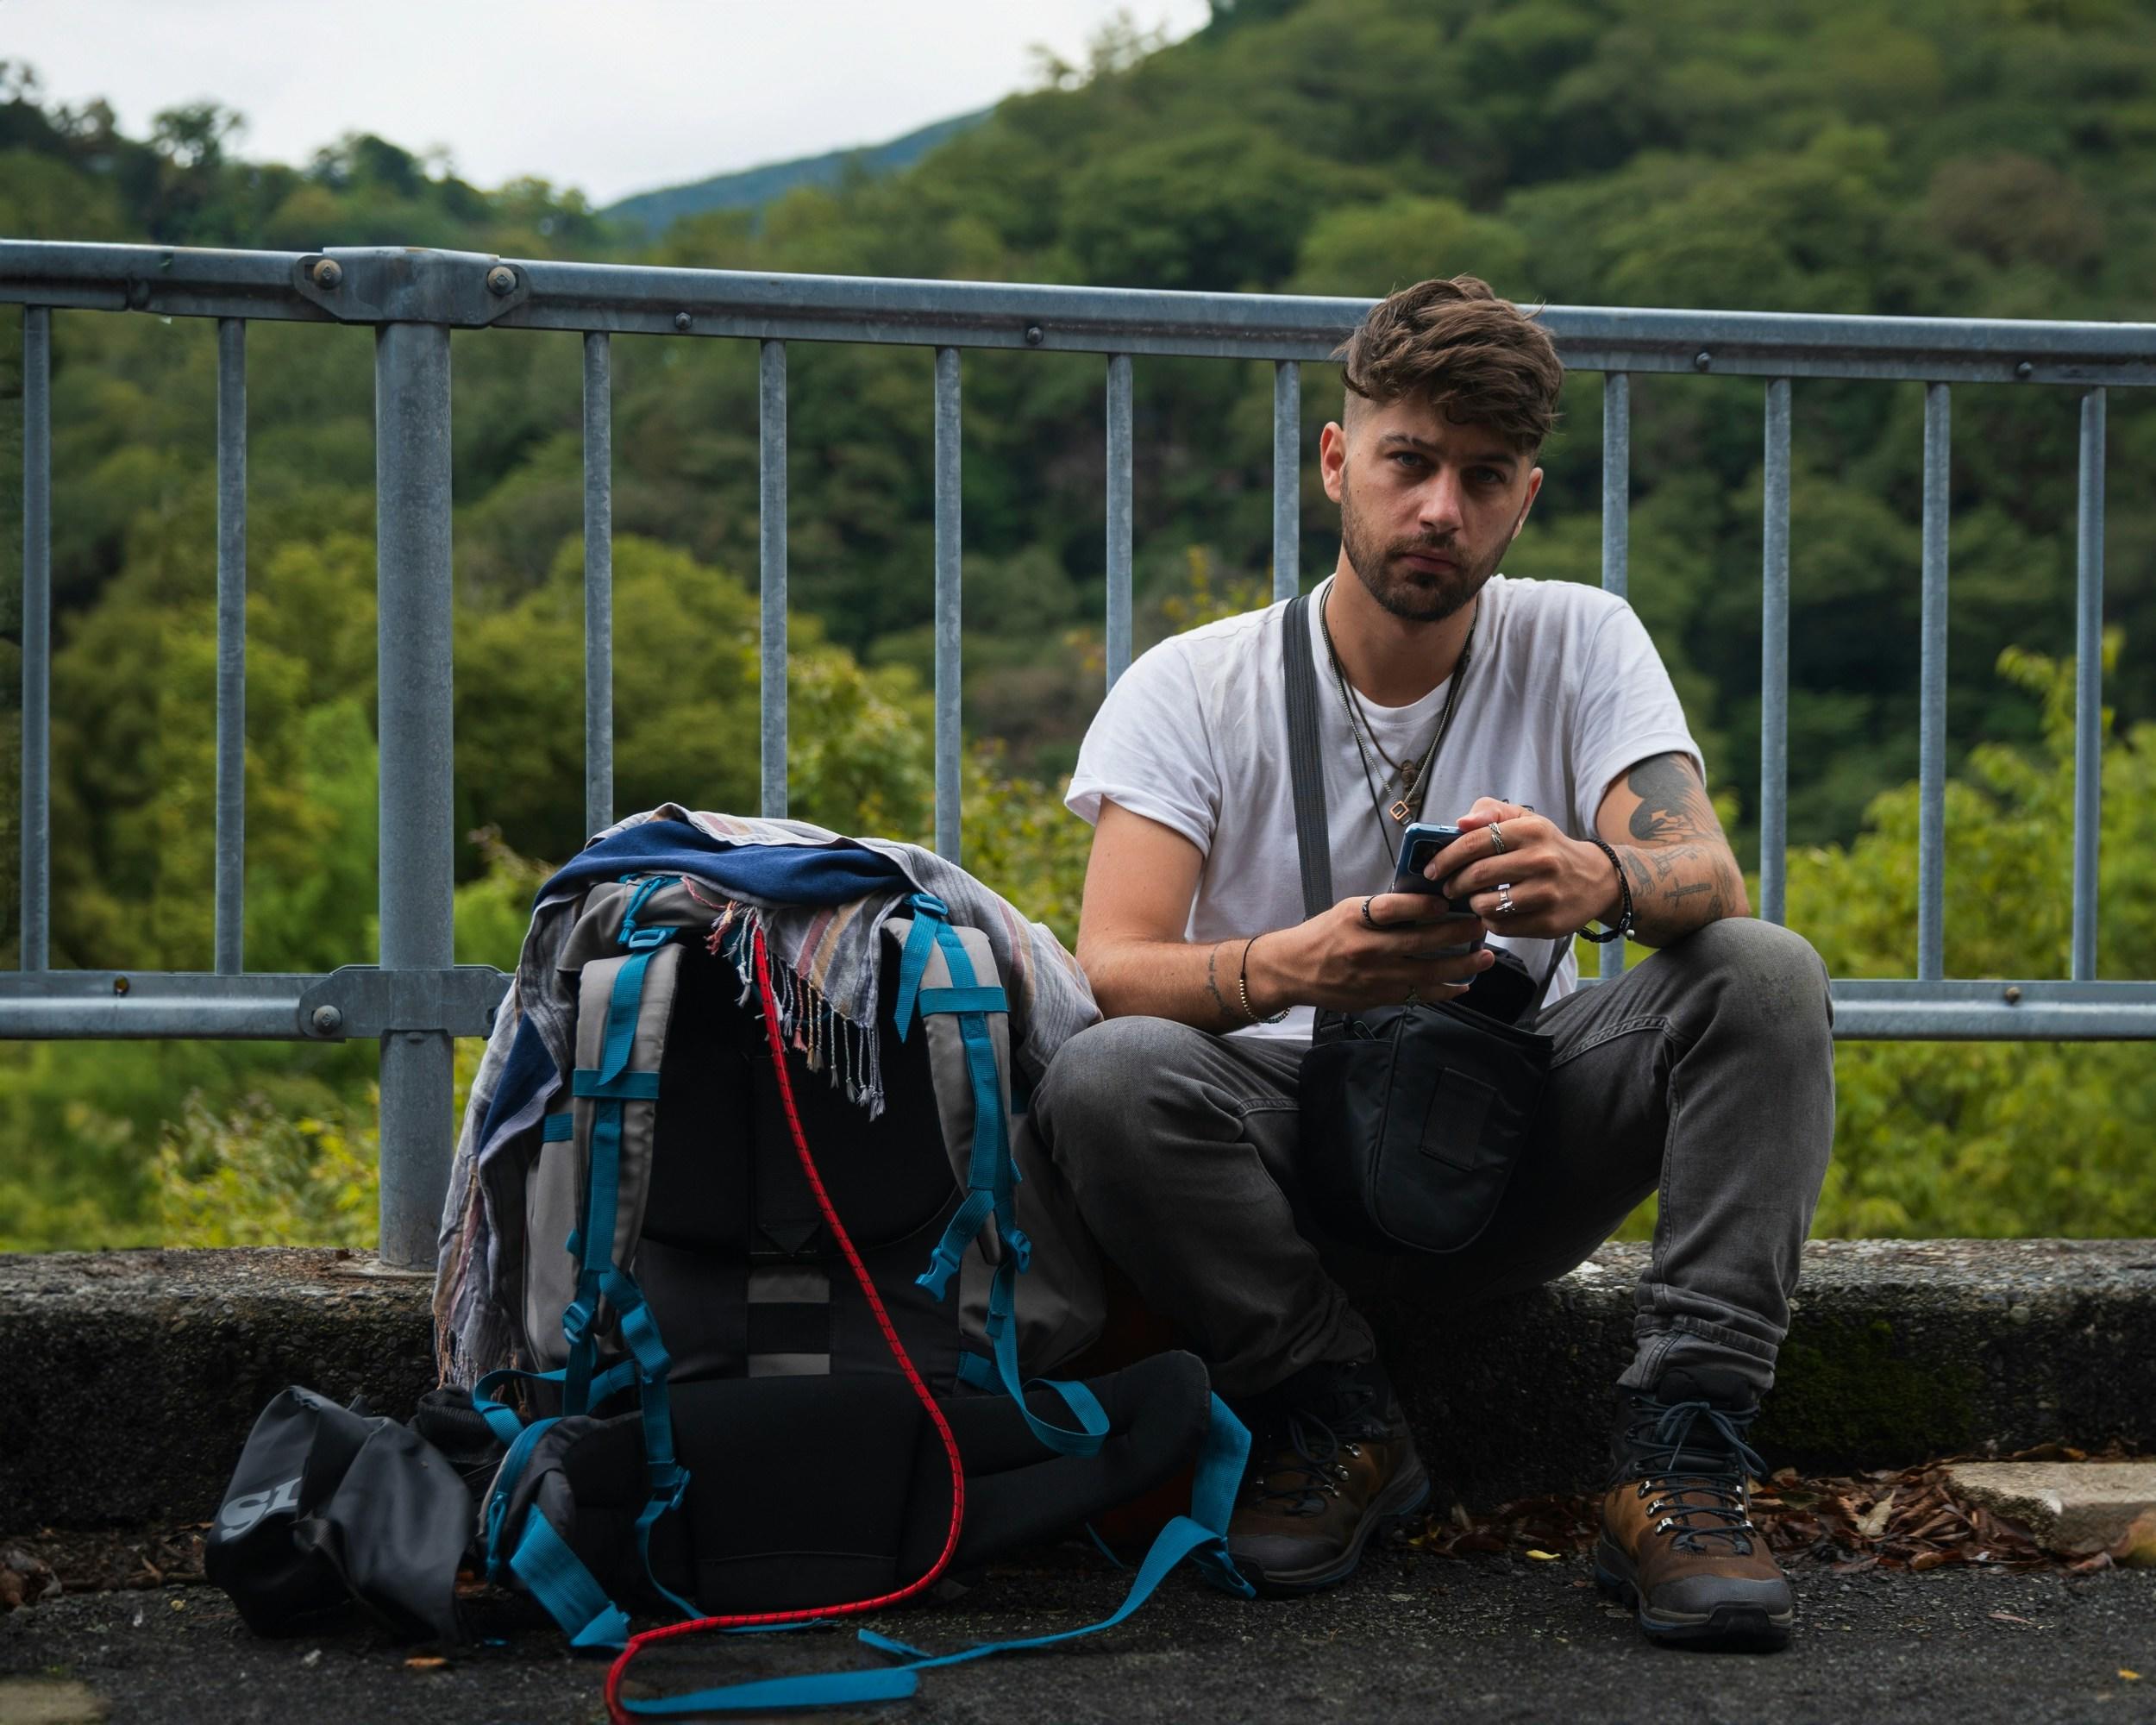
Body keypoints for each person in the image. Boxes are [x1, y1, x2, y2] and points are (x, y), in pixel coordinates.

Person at [1034, 276, 1834, 1650]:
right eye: (1408, 463)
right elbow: (1114, 967)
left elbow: (1709, 877)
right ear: (1337, 461)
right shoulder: (1192, 683)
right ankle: (1332, 1415)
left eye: (1482, 477)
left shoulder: (1582, 636)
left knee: (1762, 971)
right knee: (1110, 1075)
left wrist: (1603, 880)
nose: (1439, 511)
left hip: (1515, 1134)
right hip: (1277, 1158)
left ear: (1526, 497)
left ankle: (1681, 1452)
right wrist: (1294, 969)